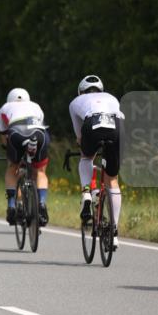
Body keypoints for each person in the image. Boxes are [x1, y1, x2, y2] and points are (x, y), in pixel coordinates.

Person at [68, 75, 125, 237]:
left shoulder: (75, 103)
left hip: (91, 123)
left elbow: (79, 136)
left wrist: (84, 146)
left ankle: (86, 192)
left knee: (86, 157)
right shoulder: (112, 97)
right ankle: (114, 230)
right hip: (116, 127)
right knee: (112, 180)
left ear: (81, 91)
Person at [0, 88, 50, 226]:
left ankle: (12, 205)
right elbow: (42, 124)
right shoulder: (36, 106)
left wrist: (8, 153)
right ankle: (42, 204)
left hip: (17, 132)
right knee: (40, 171)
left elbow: (4, 136)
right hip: (38, 133)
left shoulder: (4, 108)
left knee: (12, 167)